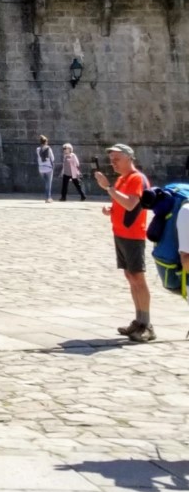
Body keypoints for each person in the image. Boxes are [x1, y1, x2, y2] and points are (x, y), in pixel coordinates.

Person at [93, 143, 154, 343]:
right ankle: (138, 320)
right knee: (130, 276)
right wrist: (110, 210)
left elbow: (131, 203)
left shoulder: (137, 178)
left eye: (117, 159)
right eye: (111, 160)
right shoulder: (121, 180)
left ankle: (146, 324)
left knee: (138, 277)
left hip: (134, 235)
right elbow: (121, 204)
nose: (113, 163)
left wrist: (107, 187)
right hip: (120, 233)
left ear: (129, 158)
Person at [36, 135, 55, 202]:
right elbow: (52, 158)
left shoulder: (38, 149)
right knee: (48, 183)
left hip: (41, 168)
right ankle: (48, 198)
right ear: (46, 142)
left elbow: (38, 158)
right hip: (48, 168)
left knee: (46, 183)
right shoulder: (49, 149)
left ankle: (48, 197)